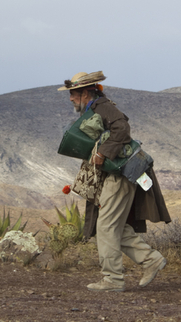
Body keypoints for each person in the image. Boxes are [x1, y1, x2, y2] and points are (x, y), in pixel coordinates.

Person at [58, 71, 171, 292]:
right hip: (117, 175)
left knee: (107, 226)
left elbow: (122, 128)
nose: (71, 98)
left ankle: (113, 280)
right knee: (113, 227)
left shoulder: (103, 106)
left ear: (85, 93)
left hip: (120, 175)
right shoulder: (96, 108)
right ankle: (151, 260)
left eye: (73, 94)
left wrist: (103, 153)